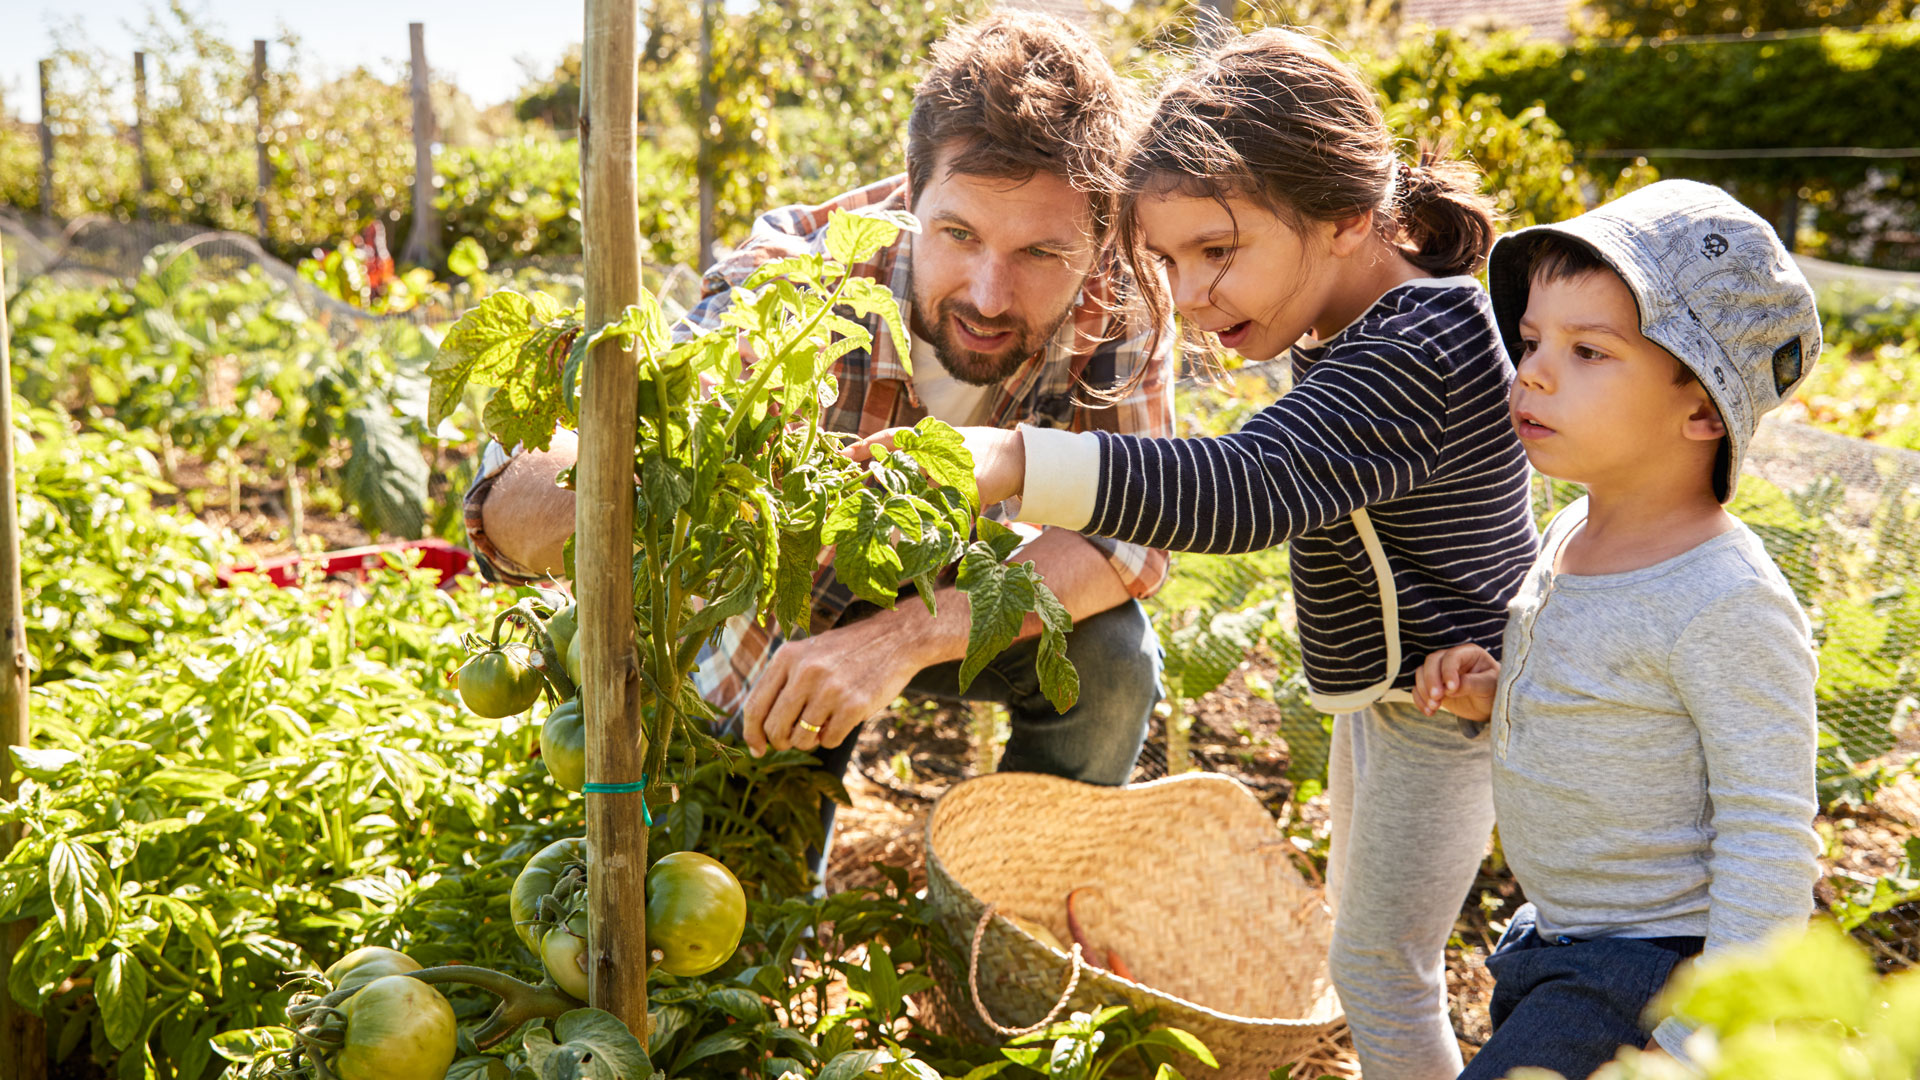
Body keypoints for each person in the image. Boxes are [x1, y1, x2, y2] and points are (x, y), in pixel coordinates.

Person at [864, 29, 1541, 1080]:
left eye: (1217, 251)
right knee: (1383, 956)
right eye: (1169, 261)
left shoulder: (1421, 348)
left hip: (1449, 714)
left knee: (1383, 968)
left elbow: (1239, 492)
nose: (1191, 295)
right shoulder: (1364, 330)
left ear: (1348, 215)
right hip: (1407, 704)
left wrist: (1005, 459)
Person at [463, 11, 1177, 879]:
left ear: (1100, 235)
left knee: (1111, 660)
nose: (990, 293)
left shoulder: (1125, 297)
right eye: (959, 235)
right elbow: (514, 504)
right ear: (910, 192)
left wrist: (899, 640)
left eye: (1041, 252)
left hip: (955, 591)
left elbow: (1128, 535)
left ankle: (1011, 915)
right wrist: (593, 490)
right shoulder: (798, 281)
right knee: (742, 918)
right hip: (784, 629)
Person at [1410, 179, 1824, 1079]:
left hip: (1652, 969)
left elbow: (1770, 836)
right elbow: (1608, 700)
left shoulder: (1725, 601)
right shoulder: (1571, 532)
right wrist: (1496, 692)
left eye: (1589, 350)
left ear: (1705, 409)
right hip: (1556, 939)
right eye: (1531, 341)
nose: (1535, 372)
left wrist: (1694, 1042)